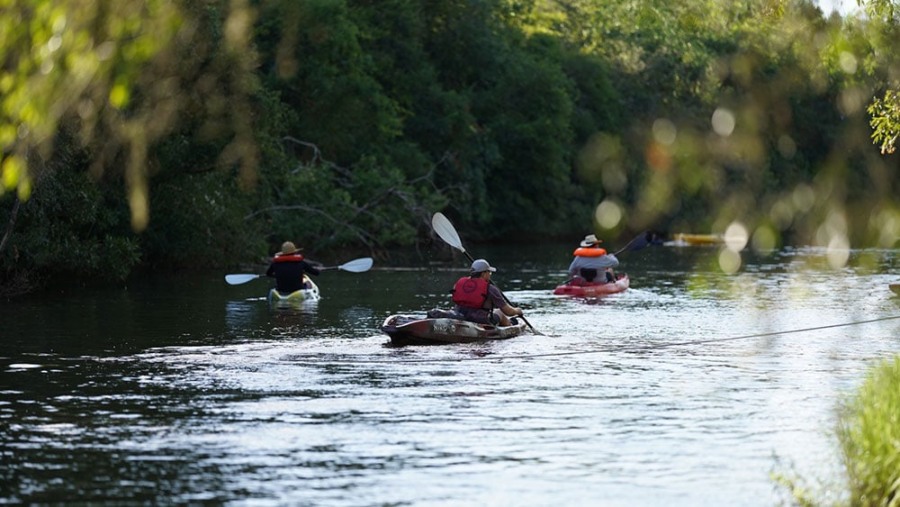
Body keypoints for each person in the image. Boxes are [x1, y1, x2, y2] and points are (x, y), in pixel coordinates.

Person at [451, 258, 523, 326]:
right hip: (479, 319)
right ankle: (510, 325)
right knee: (499, 312)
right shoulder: (490, 289)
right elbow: (508, 311)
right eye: (489, 272)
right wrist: (517, 311)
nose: (490, 275)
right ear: (483, 273)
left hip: (459, 314)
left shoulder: (459, 284)